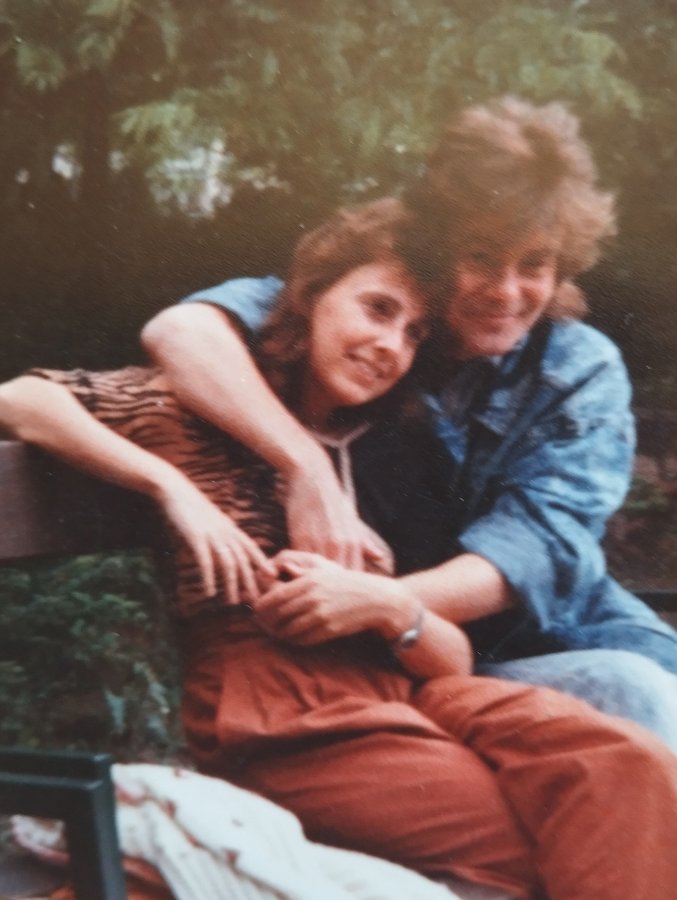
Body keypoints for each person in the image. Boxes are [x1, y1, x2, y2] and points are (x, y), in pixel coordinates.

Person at [2, 199, 677, 900]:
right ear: (311, 300)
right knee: (544, 840)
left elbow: (450, 656)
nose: (390, 345)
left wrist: (389, 606)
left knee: (622, 762)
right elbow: (20, 399)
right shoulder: (198, 414)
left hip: (409, 684)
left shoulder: (398, 447)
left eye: (413, 332)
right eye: (376, 311)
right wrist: (172, 490)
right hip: (280, 705)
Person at [140, 96, 677, 734]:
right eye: (481, 257)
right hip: (395, 659)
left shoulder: (577, 368)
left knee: (646, 690)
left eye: (534, 265)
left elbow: (536, 549)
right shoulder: (380, 322)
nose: (507, 291)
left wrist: (380, 604)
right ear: (439, 251)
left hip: (555, 638)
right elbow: (181, 332)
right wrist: (306, 466)